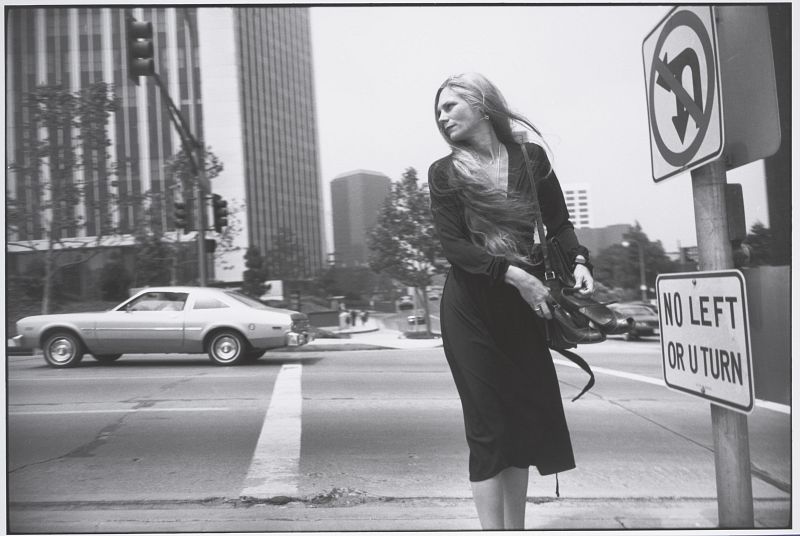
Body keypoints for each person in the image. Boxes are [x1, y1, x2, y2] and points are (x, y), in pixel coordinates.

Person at [428, 72, 595, 530]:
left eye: (450, 106)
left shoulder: (529, 159)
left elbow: (559, 223)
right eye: (438, 111)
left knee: (520, 426)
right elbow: (456, 248)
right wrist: (517, 275)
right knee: (488, 431)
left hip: (524, 308)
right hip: (471, 309)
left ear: (482, 106)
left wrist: (580, 261)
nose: (442, 118)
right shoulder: (444, 173)